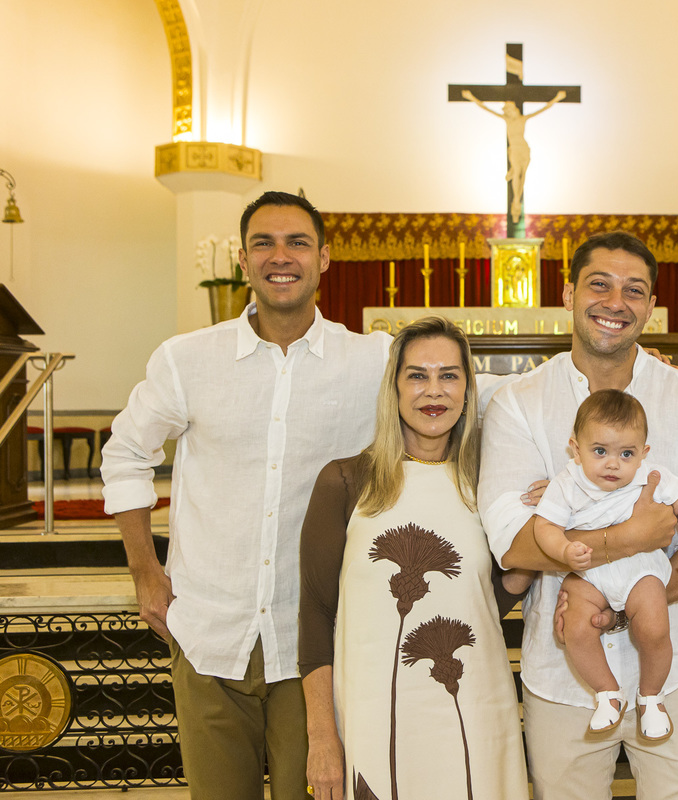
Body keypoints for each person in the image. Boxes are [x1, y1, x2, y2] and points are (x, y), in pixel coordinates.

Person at [102, 191, 392, 799]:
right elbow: (126, 453)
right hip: (210, 628)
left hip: (316, 642)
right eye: (264, 243)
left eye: (297, 243)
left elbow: (471, 398)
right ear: (242, 259)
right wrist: (144, 570)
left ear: (324, 258)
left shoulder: (372, 362)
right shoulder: (187, 360)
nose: (280, 257)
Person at [478, 230, 678, 800]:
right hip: (563, 674)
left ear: (651, 306)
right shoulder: (518, 403)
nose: (615, 302)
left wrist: (623, 607)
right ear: (568, 293)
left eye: (634, 290)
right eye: (599, 284)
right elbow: (513, 542)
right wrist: (636, 536)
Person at [298, 316, 530, 800]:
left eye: (449, 375)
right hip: (375, 715)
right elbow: (315, 616)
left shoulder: (488, 484)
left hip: (473, 710)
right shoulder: (345, 481)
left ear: (467, 390)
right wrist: (321, 737)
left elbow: (484, 603)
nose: (434, 391)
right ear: (395, 388)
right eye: (417, 375)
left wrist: (538, 538)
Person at [533, 389, 678, 741]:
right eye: (600, 451)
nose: (613, 463)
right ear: (576, 449)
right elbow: (545, 526)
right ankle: (607, 693)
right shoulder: (566, 482)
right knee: (575, 628)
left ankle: (651, 696)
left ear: (643, 453)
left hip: (639, 568)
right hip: (587, 572)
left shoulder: (651, 476)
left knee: (654, 627)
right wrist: (564, 550)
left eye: (626, 453)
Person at [461, 89, 567, 222]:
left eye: (510, 109)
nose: (510, 111)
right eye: (508, 110)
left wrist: (557, 98)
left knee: (523, 175)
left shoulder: (523, 119)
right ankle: (516, 201)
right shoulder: (507, 120)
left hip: (524, 149)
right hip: (515, 149)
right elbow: (486, 108)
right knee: (517, 173)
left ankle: (516, 196)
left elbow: (543, 109)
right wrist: (471, 97)